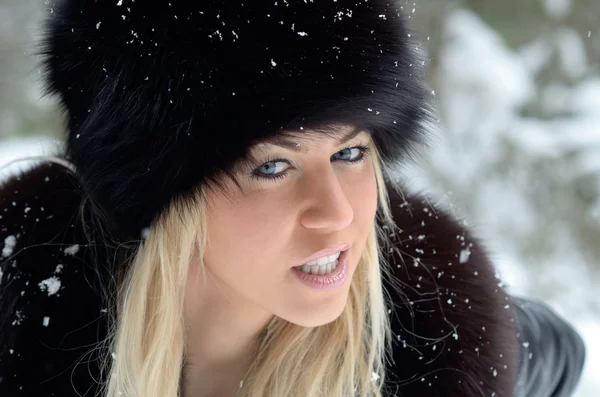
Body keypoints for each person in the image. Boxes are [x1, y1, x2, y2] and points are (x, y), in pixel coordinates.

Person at [0, 1, 586, 397]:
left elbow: (564, 352)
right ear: (162, 196)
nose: (336, 213)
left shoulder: (426, 345)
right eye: (274, 166)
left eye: (350, 153)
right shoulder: (28, 331)